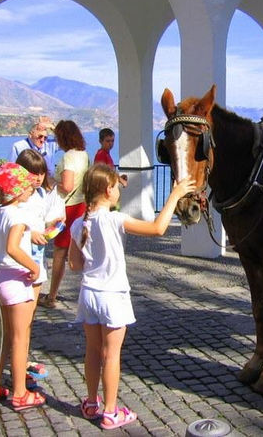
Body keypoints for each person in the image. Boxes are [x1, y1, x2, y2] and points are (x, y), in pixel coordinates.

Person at [68, 164, 195, 430]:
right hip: (112, 295)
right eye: (115, 186)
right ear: (107, 189)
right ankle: (111, 411)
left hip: (88, 293)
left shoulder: (78, 223)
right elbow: (158, 229)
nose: (118, 191)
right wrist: (175, 195)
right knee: (111, 355)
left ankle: (91, 402)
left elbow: (75, 265)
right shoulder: (115, 219)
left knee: (92, 351)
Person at [0, 162, 46, 411]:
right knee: (20, 339)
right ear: (17, 190)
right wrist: (34, 267)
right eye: (27, 186)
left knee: (4, 337)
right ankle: (20, 392)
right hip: (16, 278)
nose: (31, 189)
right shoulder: (18, 215)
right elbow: (12, 248)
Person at [15, 149, 65, 383]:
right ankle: (19, 364)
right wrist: (30, 233)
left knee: (30, 317)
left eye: (41, 173)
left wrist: (51, 225)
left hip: (37, 260)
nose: (37, 178)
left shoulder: (41, 196)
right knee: (20, 321)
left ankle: (22, 360)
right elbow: (14, 225)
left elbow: (40, 220)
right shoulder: (18, 199)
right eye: (32, 173)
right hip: (22, 262)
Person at [39, 120, 90, 309]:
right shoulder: (84, 155)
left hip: (67, 208)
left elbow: (67, 186)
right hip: (81, 205)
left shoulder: (68, 157)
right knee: (81, 249)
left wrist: (51, 180)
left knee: (60, 253)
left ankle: (51, 296)